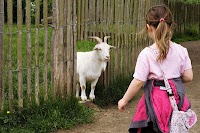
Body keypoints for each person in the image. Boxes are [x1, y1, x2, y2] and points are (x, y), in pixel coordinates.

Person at [118, 5, 193, 133]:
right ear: (170, 27)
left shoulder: (147, 54)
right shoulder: (182, 51)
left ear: (148, 27)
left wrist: (124, 100)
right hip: (176, 102)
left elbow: (138, 81)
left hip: (155, 103)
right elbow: (188, 77)